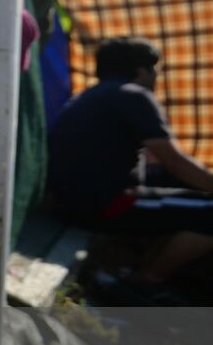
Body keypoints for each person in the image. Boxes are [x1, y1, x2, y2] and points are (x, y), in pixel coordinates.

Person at [48, 37, 213, 286]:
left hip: (69, 200)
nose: (156, 77)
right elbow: (174, 161)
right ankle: (144, 281)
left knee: (179, 187)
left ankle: (137, 266)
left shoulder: (91, 96)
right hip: (103, 204)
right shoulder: (134, 95)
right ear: (141, 71)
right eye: (154, 70)